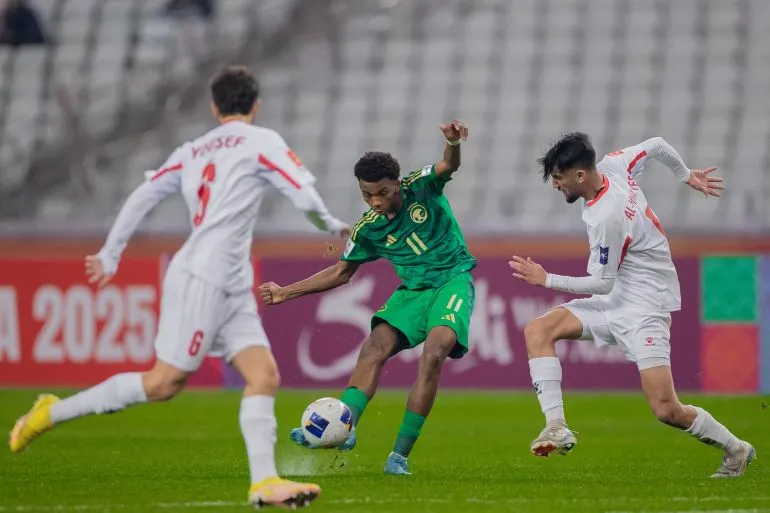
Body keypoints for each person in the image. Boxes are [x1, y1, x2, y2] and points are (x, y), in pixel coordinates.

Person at [8, 66, 349, 507]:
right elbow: (301, 193)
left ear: (214, 107)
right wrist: (332, 225)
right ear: (255, 104)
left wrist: (112, 253)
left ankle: (264, 482)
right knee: (164, 383)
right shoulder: (262, 140)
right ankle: (51, 412)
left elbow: (143, 195)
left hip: (229, 278)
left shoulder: (194, 149)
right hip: (202, 275)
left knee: (263, 375)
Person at [509, 133, 755, 478]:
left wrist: (546, 279)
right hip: (615, 300)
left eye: (558, 178)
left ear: (580, 175)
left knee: (666, 409)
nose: (555, 185)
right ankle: (557, 426)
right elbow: (655, 144)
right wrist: (685, 175)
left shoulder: (608, 216)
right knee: (538, 330)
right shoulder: (614, 165)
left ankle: (737, 449)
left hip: (645, 308)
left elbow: (601, 281)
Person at [259, 121, 474, 475]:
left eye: (383, 193)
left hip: (451, 281)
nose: (375, 201)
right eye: (367, 195)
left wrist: (452, 141)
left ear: (396, 183)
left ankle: (399, 457)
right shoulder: (368, 228)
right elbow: (342, 271)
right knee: (374, 347)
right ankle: (344, 426)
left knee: (435, 351)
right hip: (411, 293)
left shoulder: (421, 187)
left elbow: (448, 164)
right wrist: (286, 291)